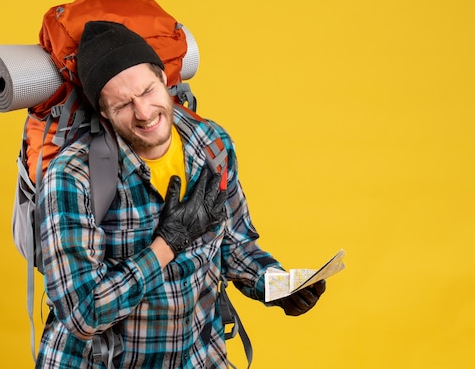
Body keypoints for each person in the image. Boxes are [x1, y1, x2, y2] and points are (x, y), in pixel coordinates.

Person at [36, 20, 327, 369]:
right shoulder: (73, 176)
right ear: (104, 113)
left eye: (147, 92)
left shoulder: (211, 144)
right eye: (123, 105)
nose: (144, 113)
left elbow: (233, 244)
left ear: (164, 79)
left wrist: (276, 285)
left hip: (196, 358)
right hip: (104, 362)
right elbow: (84, 313)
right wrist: (167, 245)